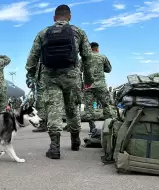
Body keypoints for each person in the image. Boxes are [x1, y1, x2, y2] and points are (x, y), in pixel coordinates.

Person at [25, 4, 94, 159]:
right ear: (69, 17)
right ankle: (75, 142)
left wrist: (30, 75)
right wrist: (88, 79)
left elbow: (32, 59)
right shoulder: (78, 32)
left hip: (50, 77)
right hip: (72, 76)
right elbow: (88, 58)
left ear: (54, 18)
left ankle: (54, 148)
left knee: (54, 111)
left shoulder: (43, 33)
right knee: (72, 109)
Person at [84, 42, 112, 133]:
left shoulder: (85, 58)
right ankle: (109, 125)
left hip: (88, 86)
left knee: (89, 106)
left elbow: (78, 70)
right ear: (97, 49)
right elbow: (108, 69)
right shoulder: (102, 57)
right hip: (101, 85)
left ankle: (92, 127)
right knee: (105, 105)